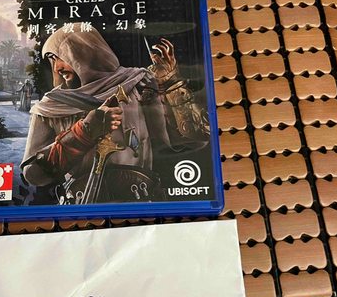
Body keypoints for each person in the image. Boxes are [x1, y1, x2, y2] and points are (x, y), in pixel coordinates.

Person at [21, 23, 208, 204]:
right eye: (53, 60)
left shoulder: (139, 85)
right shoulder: (51, 106)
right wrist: (83, 133)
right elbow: (33, 174)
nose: (57, 68)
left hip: (140, 203)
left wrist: (171, 86)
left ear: (85, 52)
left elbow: (193, 141)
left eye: (61, 57)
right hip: (82, 207)